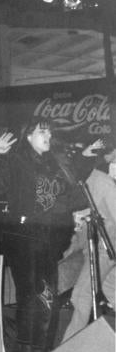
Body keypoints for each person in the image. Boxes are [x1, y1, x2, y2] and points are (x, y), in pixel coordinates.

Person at [0, 119, 98, 352]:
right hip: (23, 235)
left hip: (49, 236)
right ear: (28, 136)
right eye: (42, 131)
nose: (48, 135)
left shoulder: (54, 163)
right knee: (30, 294)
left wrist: (84, 158)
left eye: (49, 131)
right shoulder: (17, 161)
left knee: (46, 295)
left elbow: (70, 189)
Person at [61, 145, 116, 342]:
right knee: (112, 291)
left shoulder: (101, 183)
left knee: (81, 295)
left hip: (106, 249)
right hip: (94, 250)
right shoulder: (75, 182)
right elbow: (79, 229)